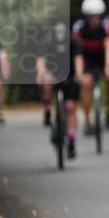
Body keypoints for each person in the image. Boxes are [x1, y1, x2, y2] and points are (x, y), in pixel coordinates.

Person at [36, 23, 84, 159]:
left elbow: (78, 59)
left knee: (70, 107)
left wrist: (79, 74)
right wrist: (42, 73)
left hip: (69, 75)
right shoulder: (47, 41)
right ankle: (47, 110)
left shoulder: (74, 42)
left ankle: (71, 139)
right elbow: (41, 60)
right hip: (52, 73)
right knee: (46, 83)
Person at [73, 0, 109, 134]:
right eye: (91, 16)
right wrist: (79, 72)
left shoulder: (107, 24)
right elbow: (77, 52)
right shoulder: (79, 27)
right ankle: (87, 121)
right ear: (86, 16)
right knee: (85, 83)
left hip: (103, 56)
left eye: (97, 16)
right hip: (86, 57)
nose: (95, 19)